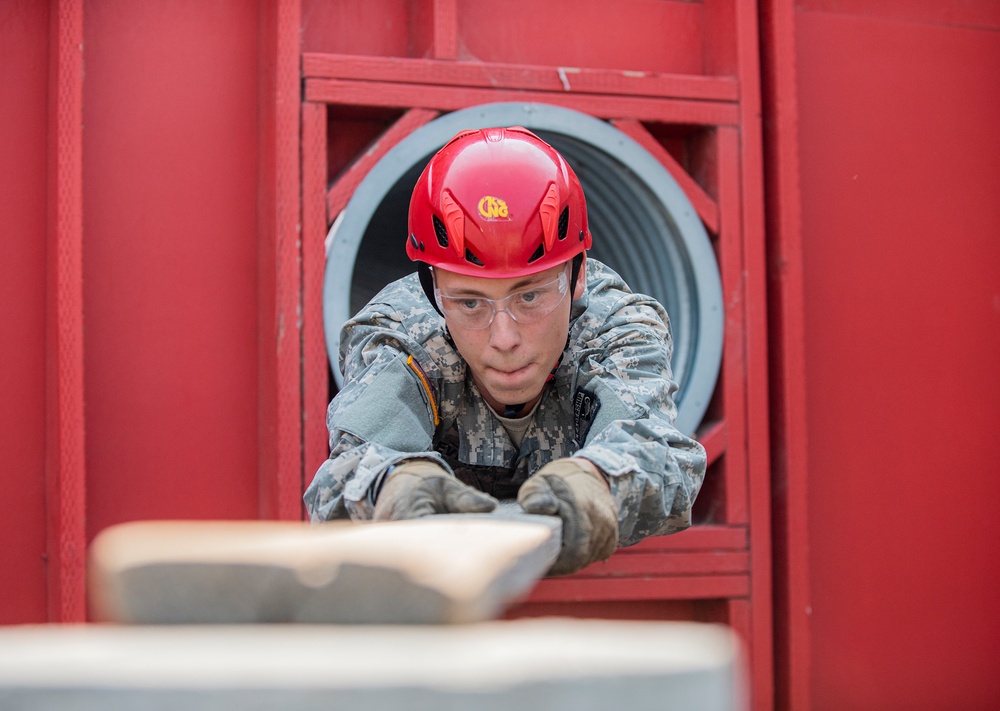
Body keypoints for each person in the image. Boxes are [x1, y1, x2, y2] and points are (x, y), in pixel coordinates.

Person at [304, 126, 706, 575]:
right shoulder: (401, 334)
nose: (504, 338)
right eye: (470, 303)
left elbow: (659, 454)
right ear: (432, 290)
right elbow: (346, 471)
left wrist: (598, 484)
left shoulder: (615, 329)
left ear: (578, 278)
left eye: (529, 297)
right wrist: (397, 488)